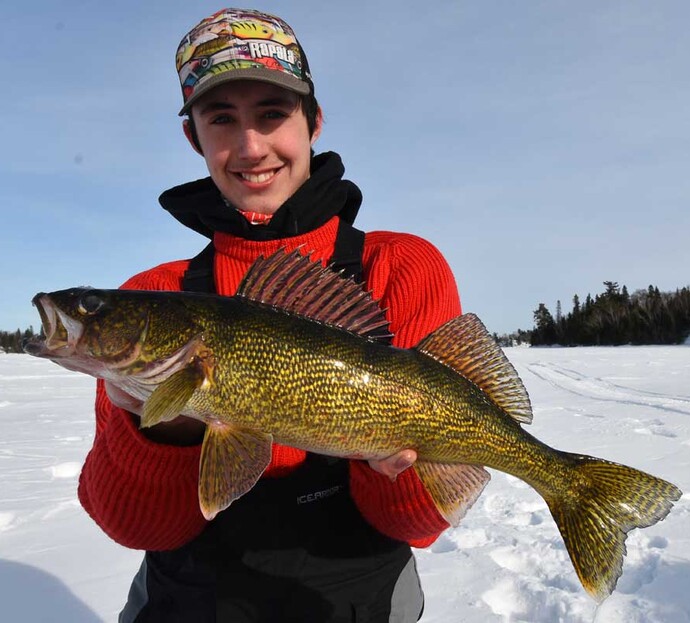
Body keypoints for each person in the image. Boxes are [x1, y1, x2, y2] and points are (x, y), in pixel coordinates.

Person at [76, 8, 462, 623]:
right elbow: (132, 525)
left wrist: (399, 463)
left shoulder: (401, 267)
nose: (251, 147)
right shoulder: (154, 293)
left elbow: (413, 523)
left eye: (272, 114)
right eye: (222, 119)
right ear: (193, 137)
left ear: (313, 121)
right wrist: (163, 426)